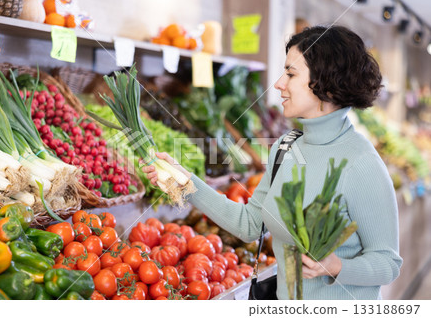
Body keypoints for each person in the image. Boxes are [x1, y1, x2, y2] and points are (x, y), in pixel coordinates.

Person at [141, 25, 402, 300]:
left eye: (290, 73)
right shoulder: (285, 147)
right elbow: (250, 223)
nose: (279, 83)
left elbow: (388, 263)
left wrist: (337, 267)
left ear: (326, 83)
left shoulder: (362, 163)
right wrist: (184, 182)